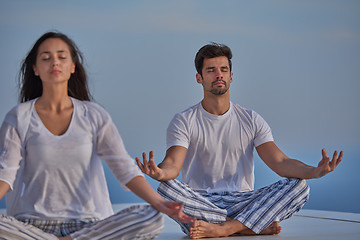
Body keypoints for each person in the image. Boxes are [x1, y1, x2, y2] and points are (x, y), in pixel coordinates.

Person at [136, 43, 343, 239]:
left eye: (224, 69)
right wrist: (160, 173)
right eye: (211, 70)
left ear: (231, 76)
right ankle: (248, 226)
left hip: (242, 201)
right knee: (166, 188)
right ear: (199, 78)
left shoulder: (251, 119)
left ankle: (226, 228)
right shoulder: (184, 120)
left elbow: (280, 162)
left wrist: (314, 172)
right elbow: (173, 163)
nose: (219, 74)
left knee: (300, 187)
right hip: (201, 203)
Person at [0, 31, 193, 240]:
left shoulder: (93, 115)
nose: (54, 62)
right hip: (32, 226)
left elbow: (124, 168)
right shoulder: (19, 117)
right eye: (46, 58)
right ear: (36, 69)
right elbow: (5, 173)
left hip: (87, 226)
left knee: (152, 217)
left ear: (72, 66)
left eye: (62, 57)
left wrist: (160, 203)